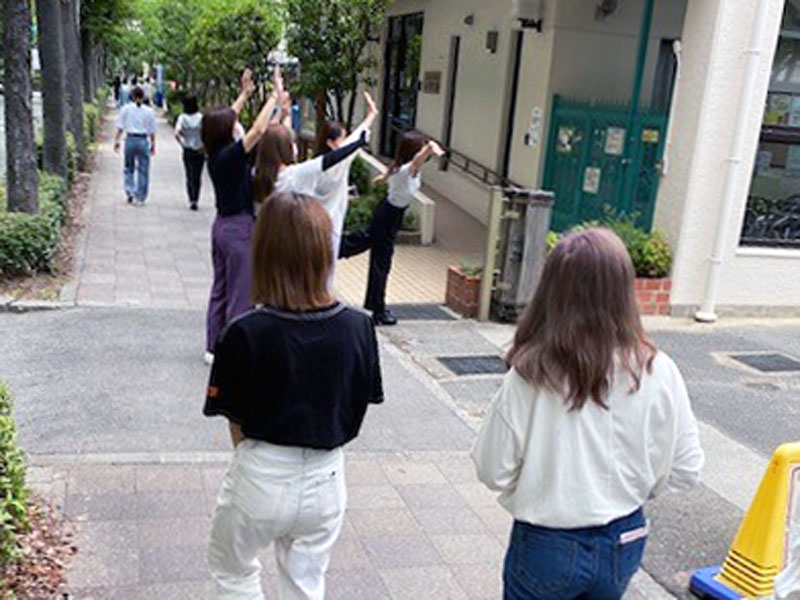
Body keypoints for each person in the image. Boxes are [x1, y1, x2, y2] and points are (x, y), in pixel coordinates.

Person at [471, 228, 705, 600]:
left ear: (551, 292)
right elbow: (687, 468)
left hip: (547, 541)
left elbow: (492, 468)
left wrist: (538, 482)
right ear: (623, 291)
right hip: (624, 537)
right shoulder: (659, 370)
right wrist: (638, 485)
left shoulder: (532, 374)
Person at [204, 191, 383, 600]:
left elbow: (235, 422)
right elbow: (358, 402)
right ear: (324, 251)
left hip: (261, 472)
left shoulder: (244, 331)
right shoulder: (359, 327)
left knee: (233, 571)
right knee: (305, 583)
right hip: (328, 478)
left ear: (263, 251)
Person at [201, 67, 284, 365]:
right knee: (241, 292)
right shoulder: (230, 156)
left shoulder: (217, 153)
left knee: (221, 288)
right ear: (225, 130)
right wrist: (274, 93)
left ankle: (214, 346)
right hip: (238, 230)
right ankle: (237, 351)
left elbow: (227, 120)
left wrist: (245, 94)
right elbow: (258, 131)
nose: (235, 121)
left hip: (222, 228)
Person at [339, 132, 444, 325]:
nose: (423, 154)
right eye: (420, 149)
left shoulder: (401, 168)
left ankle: (331, 249)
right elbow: (416, 162)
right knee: (381, 263)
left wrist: (383, 177)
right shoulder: (407, 169)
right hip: (388, 216)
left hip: (390, 215)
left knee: (363, 243)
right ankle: (378, 311)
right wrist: (430, 148)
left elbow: (395, 170)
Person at [313, 92, 379, 262]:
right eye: (342, 138)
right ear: (331, 143)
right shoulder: (340, 163)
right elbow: (356, 139)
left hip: (312, 226)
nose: (346, 142)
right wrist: (371, 115)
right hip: (330, 227)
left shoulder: (313, 165)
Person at [113, 87, 157, 205]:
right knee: (143, 169)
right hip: (143, 140)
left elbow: (120, 127)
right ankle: (141, 196)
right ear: (143, 97)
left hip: (130, 139)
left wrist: (116, 141)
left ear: (132, 96)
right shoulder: (149, 111)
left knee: (129, 167)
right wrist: (153, 145)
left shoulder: (125, 109)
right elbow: (152, 130)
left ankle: (130, 191)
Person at [174, 95, 204, 210]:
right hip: (199, 149)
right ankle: (196, 198)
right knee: (197, 175)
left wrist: (183, 142)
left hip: (188, 149)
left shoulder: (182, 118)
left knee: (189, 174)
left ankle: (191, 198)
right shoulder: (201, 118)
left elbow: (176, 133)